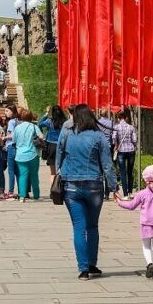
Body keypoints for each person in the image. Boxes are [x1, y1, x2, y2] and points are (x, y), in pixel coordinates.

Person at [57, 104, 120, 280]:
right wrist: (114, 187)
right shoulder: (99, 136)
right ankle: (92, 264)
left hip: (72, 186)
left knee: (79, 226)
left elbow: (59, 154)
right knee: (92, 226)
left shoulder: (69, 135)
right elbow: (107, 165)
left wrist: (59, 172)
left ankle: (83, 268)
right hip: (94, 186)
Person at [117, 165, 153, 279]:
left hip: (146, 224)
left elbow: (131, 205)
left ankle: (149, 264)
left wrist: (119, 201)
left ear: (145, 179)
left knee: (146, 246)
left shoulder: (142, 194)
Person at [12, 108, 43, 202]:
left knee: (22, 175)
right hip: (32, 154)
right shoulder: (34, 127)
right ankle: (36, 195)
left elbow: (14, 140)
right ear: (30, 117)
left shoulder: (17, 127)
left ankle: (22, 196)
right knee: (34, 175)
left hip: (20, 154)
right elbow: (41, 136)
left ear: (21, 117)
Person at [114, 110, 138, 198]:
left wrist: (116, 146)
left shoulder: (116, 127)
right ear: (126, 118)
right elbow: (135, 139)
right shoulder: (131, 127)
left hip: (121, 151)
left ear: (118, 118)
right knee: (130, 172)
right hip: (131, 150)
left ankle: (125, 194)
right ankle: (131, 192)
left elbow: (114, 138)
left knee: (123, 173)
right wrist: (134, 146)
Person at [39, 105, 67, 178]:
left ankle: (53, 187)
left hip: (51, 145)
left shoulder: (49, 121)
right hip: (62, 144)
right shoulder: (65, 122)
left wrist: (46, 113)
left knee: (53, 173)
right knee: (62, 167)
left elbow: (40, 123)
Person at [3, 105, 19, 199]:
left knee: (11, 170)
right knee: (18, 171)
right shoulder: (18, 121)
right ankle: (21, 191)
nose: (5, 113)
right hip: (17, 147)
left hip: (11, 146)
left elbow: (12, 135)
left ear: (12, 111)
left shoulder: (11, 122)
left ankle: (11, 192)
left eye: (7, 111)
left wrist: (4, 137)